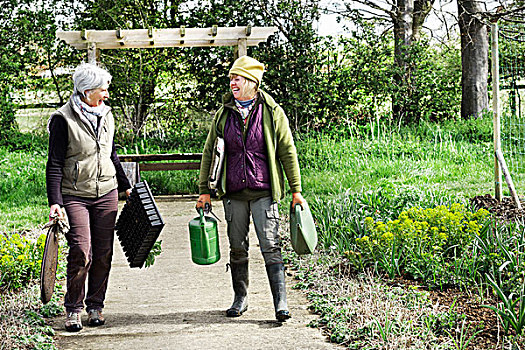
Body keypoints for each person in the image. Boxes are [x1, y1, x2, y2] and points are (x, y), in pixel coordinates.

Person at [196, 55, 305, 322]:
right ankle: (240, 298)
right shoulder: (223, 114)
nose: (233, 82)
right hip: (234, 192)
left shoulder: (272, 112)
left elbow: (287, 151)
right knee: (237, 247)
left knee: (270, 245)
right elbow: (210, 152)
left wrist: (296, 189)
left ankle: (280, 303)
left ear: (253, 83)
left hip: (263, 191)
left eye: (238, 78)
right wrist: (204, 190)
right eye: (231, 77)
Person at [46, 63, 132, 332]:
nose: (106, 95)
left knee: (104, 253)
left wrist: (125, 186)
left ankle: (96, 306)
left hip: (106, 192)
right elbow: (55, 163)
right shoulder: (63, 119)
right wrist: (55, 201)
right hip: (75, 195)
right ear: (87, 91)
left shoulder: (107, 114)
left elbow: (111, 153)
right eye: (102, 90)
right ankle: (73, 308)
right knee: (82, 251)